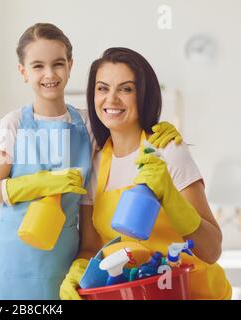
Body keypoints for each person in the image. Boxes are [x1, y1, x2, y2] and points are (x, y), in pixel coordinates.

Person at [0, 24, 180, 300]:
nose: (49, 74)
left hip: (64, 250)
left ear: (70, 65)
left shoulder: (89, 123)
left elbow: (127, 135)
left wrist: (158, 133)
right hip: (16, 251)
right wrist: (38, 184)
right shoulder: (12, 124)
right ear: (23, 71)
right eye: (38, 66)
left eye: (58, 64)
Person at [60, 47, 232, 300]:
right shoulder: (95, 163)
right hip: (138, 292)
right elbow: (90, 246)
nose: (112, 99)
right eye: (103, 88)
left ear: (143, 95)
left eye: (126, 89)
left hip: (192, 291)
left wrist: (170, 196)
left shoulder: (168, 150)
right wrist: (79, 271)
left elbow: (212, 249)